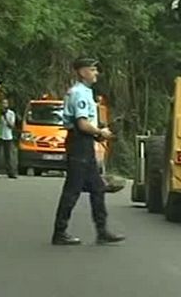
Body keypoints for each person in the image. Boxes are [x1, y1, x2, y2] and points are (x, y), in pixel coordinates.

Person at [51, 57, 126, 245]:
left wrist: (97, 135)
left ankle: (102, 231)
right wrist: (101, 132)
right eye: (92, 70)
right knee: (72, 190)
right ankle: (59, 232)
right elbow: (83, 124)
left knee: (98, 188)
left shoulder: (85, 92)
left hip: (84, 143)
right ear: (82, 72)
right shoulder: (79, 93)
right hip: (79, 144)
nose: (96, 73)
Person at [0, 97, 18, 179]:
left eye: (5, 103)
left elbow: (11, 125)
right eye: (2, 103)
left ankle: (11, 172)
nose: (4, 105)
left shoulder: (11, 113)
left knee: (8, 156)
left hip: (7, 136)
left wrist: (5, 117)